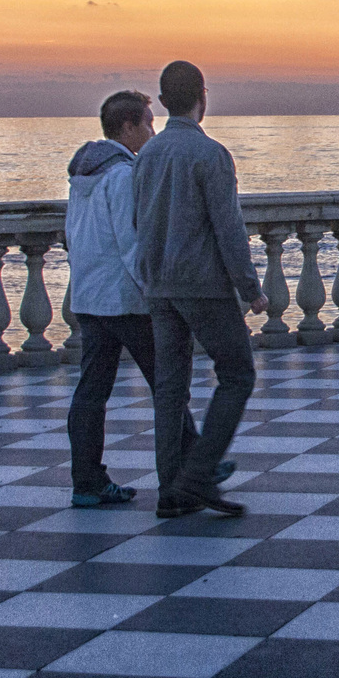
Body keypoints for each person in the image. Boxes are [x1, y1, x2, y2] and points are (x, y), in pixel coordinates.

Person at [134, 61, 267, 517]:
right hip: (202, 285)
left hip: (158, 286)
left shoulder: (146, 155)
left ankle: (171, 490)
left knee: (170, 390)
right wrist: (250, 288)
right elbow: (228, 229)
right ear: (202, 97)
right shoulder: (210, 154)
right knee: (237, 374)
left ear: (164, 100)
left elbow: (139, 222)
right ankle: (197, 476)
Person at [63, 90, 165, 507]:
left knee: (91, 392)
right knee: (167, 382)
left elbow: (73, 236)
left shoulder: (83, 175)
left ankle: (86, 482)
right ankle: (200, 463)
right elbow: (132, 242)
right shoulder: (122, 176)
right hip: (124, 299)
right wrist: (154, 292)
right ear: (128, 127)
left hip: (89, 297)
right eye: (147, 121)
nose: (153, 129)